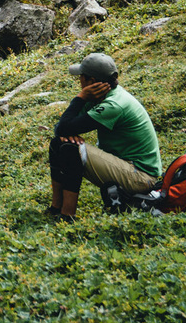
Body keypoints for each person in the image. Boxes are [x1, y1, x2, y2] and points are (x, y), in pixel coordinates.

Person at [47, 52, 161, 221]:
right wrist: (66, 132)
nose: (79, 81)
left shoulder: (113, 105)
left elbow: (64, 126)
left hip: (141, 177)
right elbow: (62, 129)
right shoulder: (100, 97)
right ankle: (56, 208)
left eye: (81, 77)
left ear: (91, 81)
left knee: (71, 150)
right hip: (127, 168)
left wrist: (80, 98)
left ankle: (67, 215)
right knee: (58, 144)